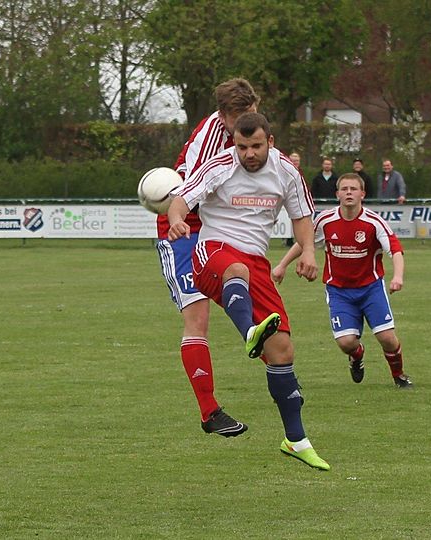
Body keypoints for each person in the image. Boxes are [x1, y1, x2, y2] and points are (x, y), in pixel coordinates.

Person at [167, 112, 330, 471]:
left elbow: (302, 215)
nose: (248, 153)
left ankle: (296, 440)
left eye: (256, 146)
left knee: (283, 350)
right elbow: (181, 199)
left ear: (270, 142)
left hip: (256, 264)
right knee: (235, 270)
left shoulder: (286, 171)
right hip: (214, 254)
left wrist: (308, 251)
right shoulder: (219, 165)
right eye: (242, 147)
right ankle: (249, 333)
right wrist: (178, 218)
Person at [155, 78, 260, 439]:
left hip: (220, 225)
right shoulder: (211, 137)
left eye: (249, 114)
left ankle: (273, 359)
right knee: (197, 318)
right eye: (237, 118)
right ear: (222, 115)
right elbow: (187, 189)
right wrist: (176, 217)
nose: (243, 124)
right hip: (184, 227)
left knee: (244, 284)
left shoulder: (249, 132)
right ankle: (209, 412)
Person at [272, 173, 412, 388]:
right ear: (337, 194)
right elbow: (304, 242)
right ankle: (357, 356)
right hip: (339, 291)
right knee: (346, 343)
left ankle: (399, 376)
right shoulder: (326, 220)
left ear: (362, 194)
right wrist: (282, 265)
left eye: (353, 189)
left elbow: (395, 250)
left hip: (370, 289)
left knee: (387, 338)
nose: (349, 193)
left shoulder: (373, 222)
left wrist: (398, 277)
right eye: (344, 189)